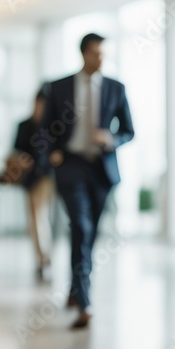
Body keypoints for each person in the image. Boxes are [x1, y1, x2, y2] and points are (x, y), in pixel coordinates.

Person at [40, 33, 134, 329]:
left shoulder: (116, 88)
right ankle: (85, 300)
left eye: (104, 53)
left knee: (89, 232)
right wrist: (52, 153)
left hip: (102, 168)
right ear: (84, 54)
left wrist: (112, 138)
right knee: (80, 226)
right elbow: (44, 130)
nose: (101, 58)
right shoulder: (59, 87)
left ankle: (74, 287)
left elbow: (129, 130)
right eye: (96, 53)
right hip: (71, 165)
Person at [13, 91, 54, 278]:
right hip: (28, 179)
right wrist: (21, 160)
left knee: (40, 216)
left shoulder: (51, 126)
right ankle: (41, 257)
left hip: (45, 177)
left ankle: (44, 256)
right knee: (34, 219)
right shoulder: (24, 126)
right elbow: (17, 150)